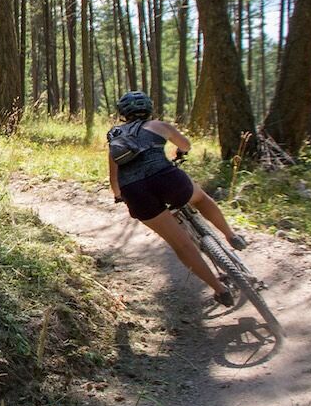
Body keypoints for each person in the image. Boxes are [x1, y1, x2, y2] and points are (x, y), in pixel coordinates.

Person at [106, 91, 249, 308]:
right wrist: (180, 152)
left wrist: (119, 195)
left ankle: (220, 290)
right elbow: (186, 145)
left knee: (181, 244)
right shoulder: (158, 126)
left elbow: (114, 178)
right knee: (200, 199)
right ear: (149, 108)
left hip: (135, 192)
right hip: (167, 179)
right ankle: (230, 235)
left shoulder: (115, 137)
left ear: (123, 114)